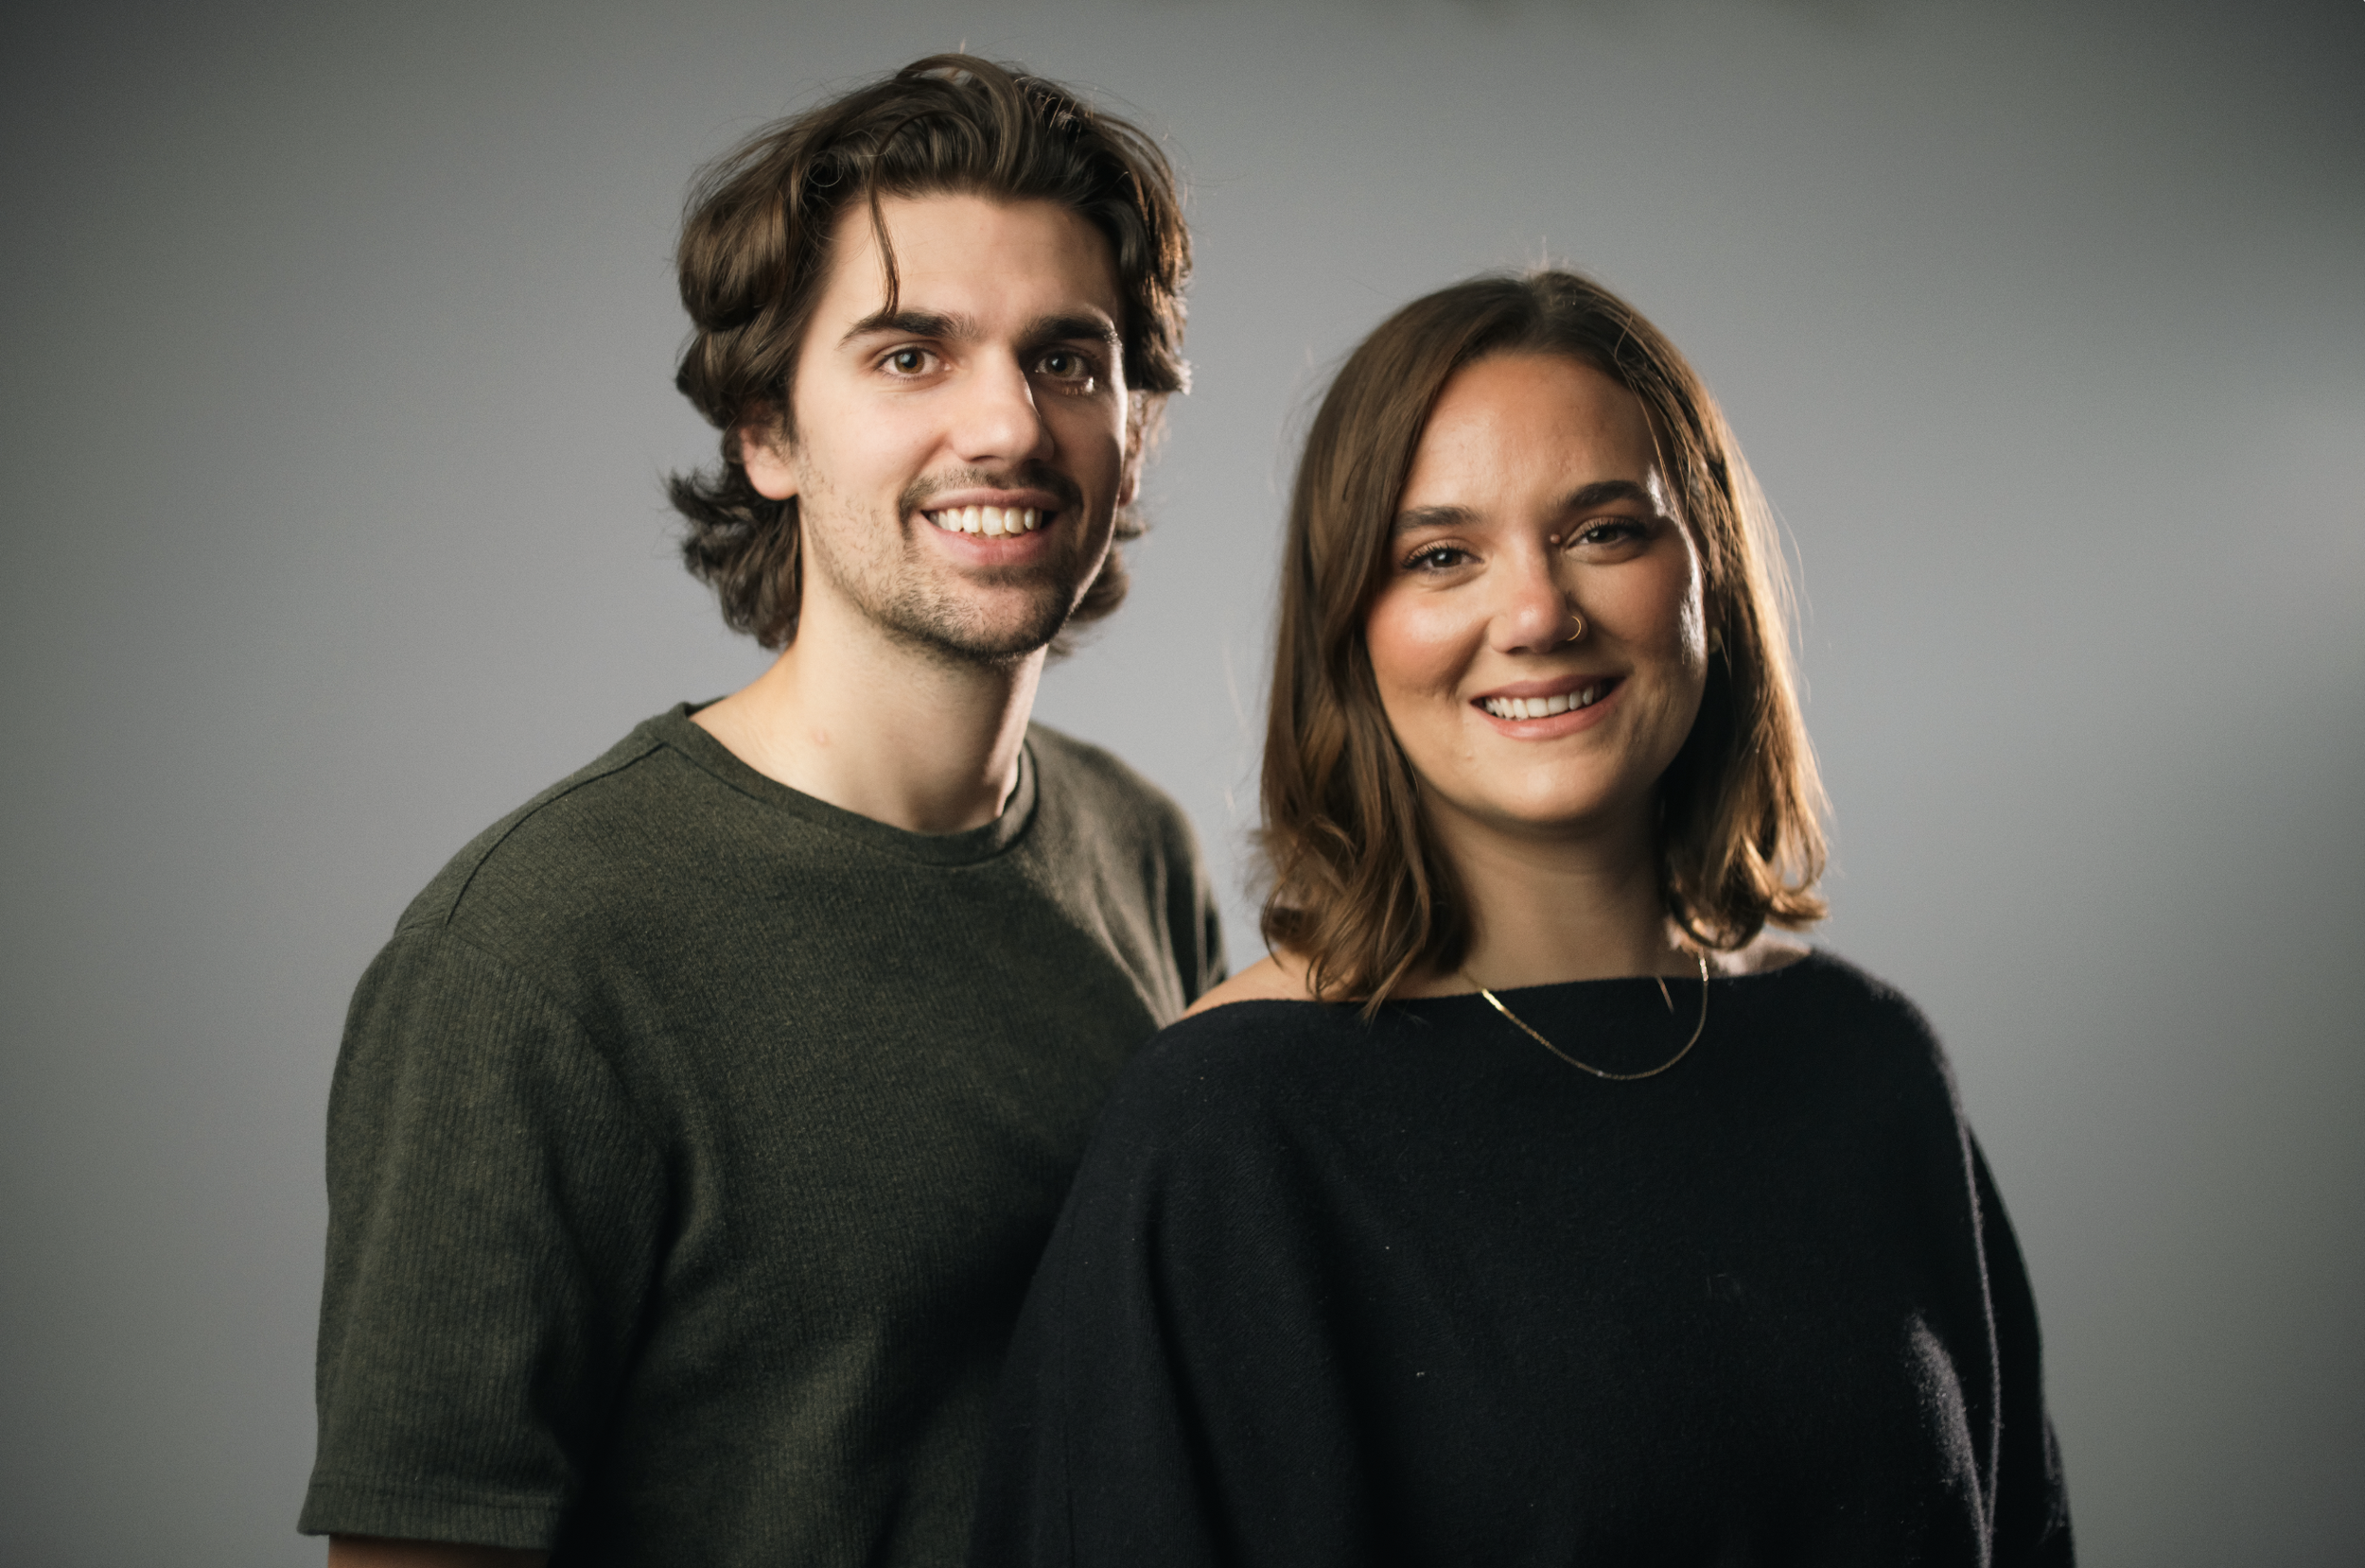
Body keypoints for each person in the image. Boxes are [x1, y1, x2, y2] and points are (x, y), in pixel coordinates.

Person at [969, 271, 2073, 1566]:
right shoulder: (1232, 1128)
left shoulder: (1867, 1062)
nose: (1539, 614)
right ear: (1350, 638)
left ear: (1705, 568)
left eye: (1605, 530)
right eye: (1441, 556)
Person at [298, 56, 1221, 1568]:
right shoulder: (535, 957)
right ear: (766, 434)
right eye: (911, 355)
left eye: (1067, 357)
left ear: (1134, 431)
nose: (1005, 426)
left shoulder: (1140, 848)